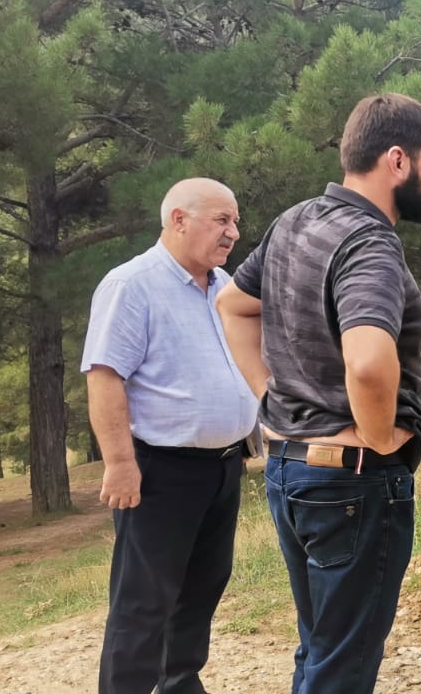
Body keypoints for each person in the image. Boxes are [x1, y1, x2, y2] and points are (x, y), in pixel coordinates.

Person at [216, 92, 421, 694]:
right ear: (397, 160)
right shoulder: (370, 243)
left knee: (321, 648)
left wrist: (270, 397)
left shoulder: (295, 220)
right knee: (341, 668)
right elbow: (370, 364)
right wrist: (379, 442)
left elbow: (234, 305)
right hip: (351, 480)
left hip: (290, 470)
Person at [83, 178, 258, 694]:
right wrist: (119, 463)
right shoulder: (132, 284)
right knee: (143, 602)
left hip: (223, 468)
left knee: (201, 590)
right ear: (179, 219)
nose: (233, 232)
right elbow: (105, 375)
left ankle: (180, 683)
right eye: (221, 220)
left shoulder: (226, 287)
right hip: (160, 471)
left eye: (236, 221)